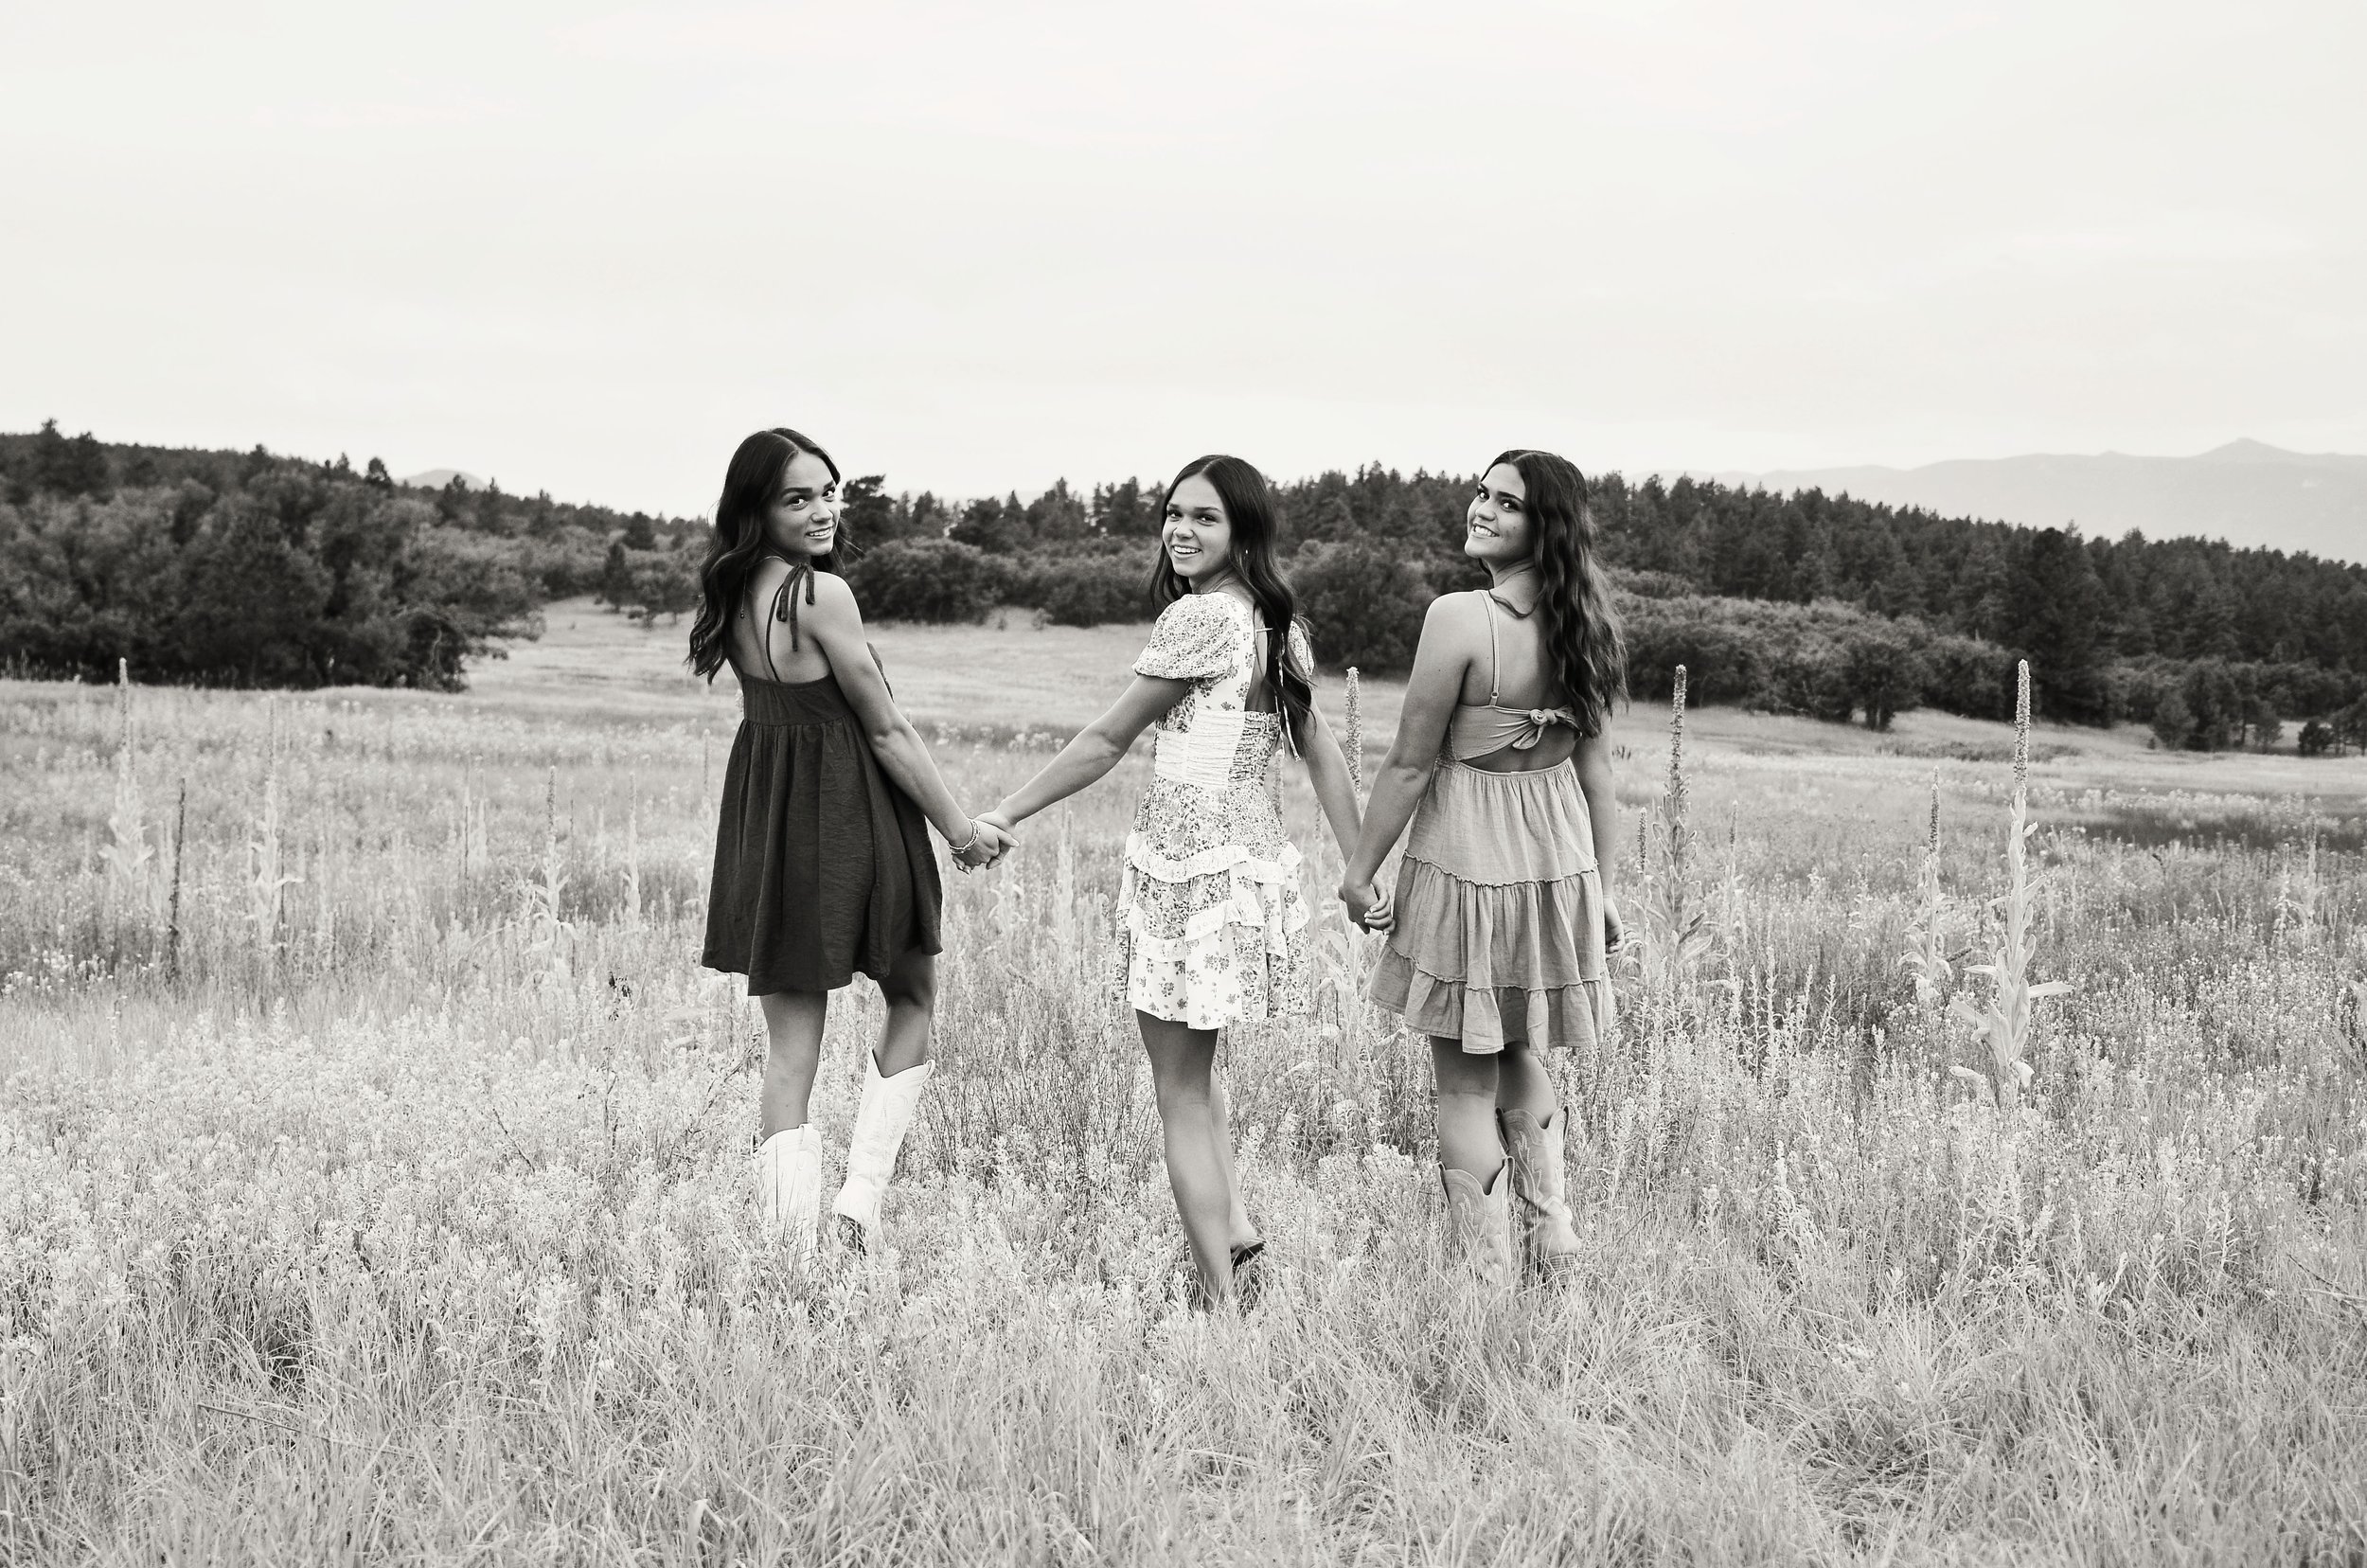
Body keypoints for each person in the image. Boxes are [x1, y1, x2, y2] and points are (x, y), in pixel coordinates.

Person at [975, 454, 1362, 1310]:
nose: (1180, 531)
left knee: (1179, 1086)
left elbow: (1107, 741)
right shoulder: (1276, 624)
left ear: (1244, 534)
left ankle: (1221, 1299)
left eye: (1205, 519)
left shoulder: (1200, 619)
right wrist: (1357, 865)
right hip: (1247, 856)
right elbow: (1321, 752)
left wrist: (1006, 813)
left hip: (1189, 860)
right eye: (1172, 513)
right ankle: (1241, 1237)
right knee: (1203, 1068)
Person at [687, 428, 1012, 1256]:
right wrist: (961, 831)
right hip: (850, 818)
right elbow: (887, 730)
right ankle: (858, 1204)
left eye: (828, 492)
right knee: (913, 997)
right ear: (758, 508)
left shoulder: (730, 593)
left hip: (768, 820)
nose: (823, 510)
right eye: (798, 498)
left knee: (791, 1046)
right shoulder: (818, 595)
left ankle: (788, 1253)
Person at [1338, 449, 1626, 1285]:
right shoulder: (1590, 623)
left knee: (1462, 1085)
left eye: (1507, 502)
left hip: (1468, 867)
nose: (1482, 508)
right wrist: (1601, 891)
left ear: (1546, 527)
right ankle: (1555, 1241)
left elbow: (1408, 765)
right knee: (1517, 1053)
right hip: (1555, 869)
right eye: (1482, 492)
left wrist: (1360, 873)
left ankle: (1486, 1279)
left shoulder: (1461, 617)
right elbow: (1598, 777)